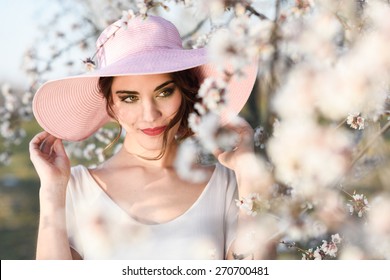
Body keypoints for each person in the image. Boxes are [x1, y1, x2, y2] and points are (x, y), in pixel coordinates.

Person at [29, 15, 259, 260]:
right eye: (130, 98)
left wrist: (249, 174)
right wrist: (52, 191)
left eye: (164, 92)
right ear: (111, 105)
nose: (150, 115)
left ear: (185, 93)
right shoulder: (75, 189)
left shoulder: (227, 185)